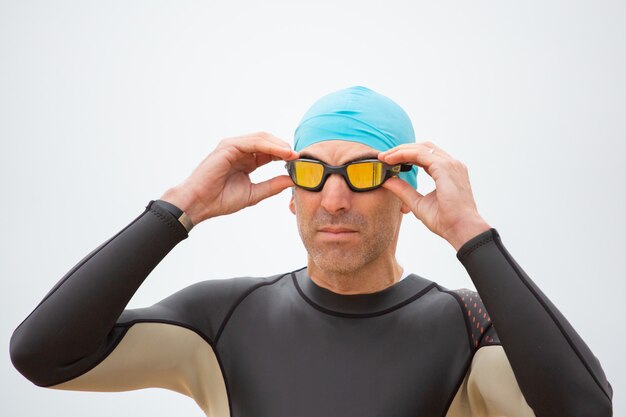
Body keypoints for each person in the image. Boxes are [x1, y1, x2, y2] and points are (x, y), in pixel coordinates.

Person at [10, 86, 612, 417]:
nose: (334, 199)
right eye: (311, 174)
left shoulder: (472, 326)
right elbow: (43, 355)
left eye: (365, 175)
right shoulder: (222, 319)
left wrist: (470, 233)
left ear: (407, 193)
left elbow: (583, 412)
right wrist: (179, 207)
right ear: (289, 196)